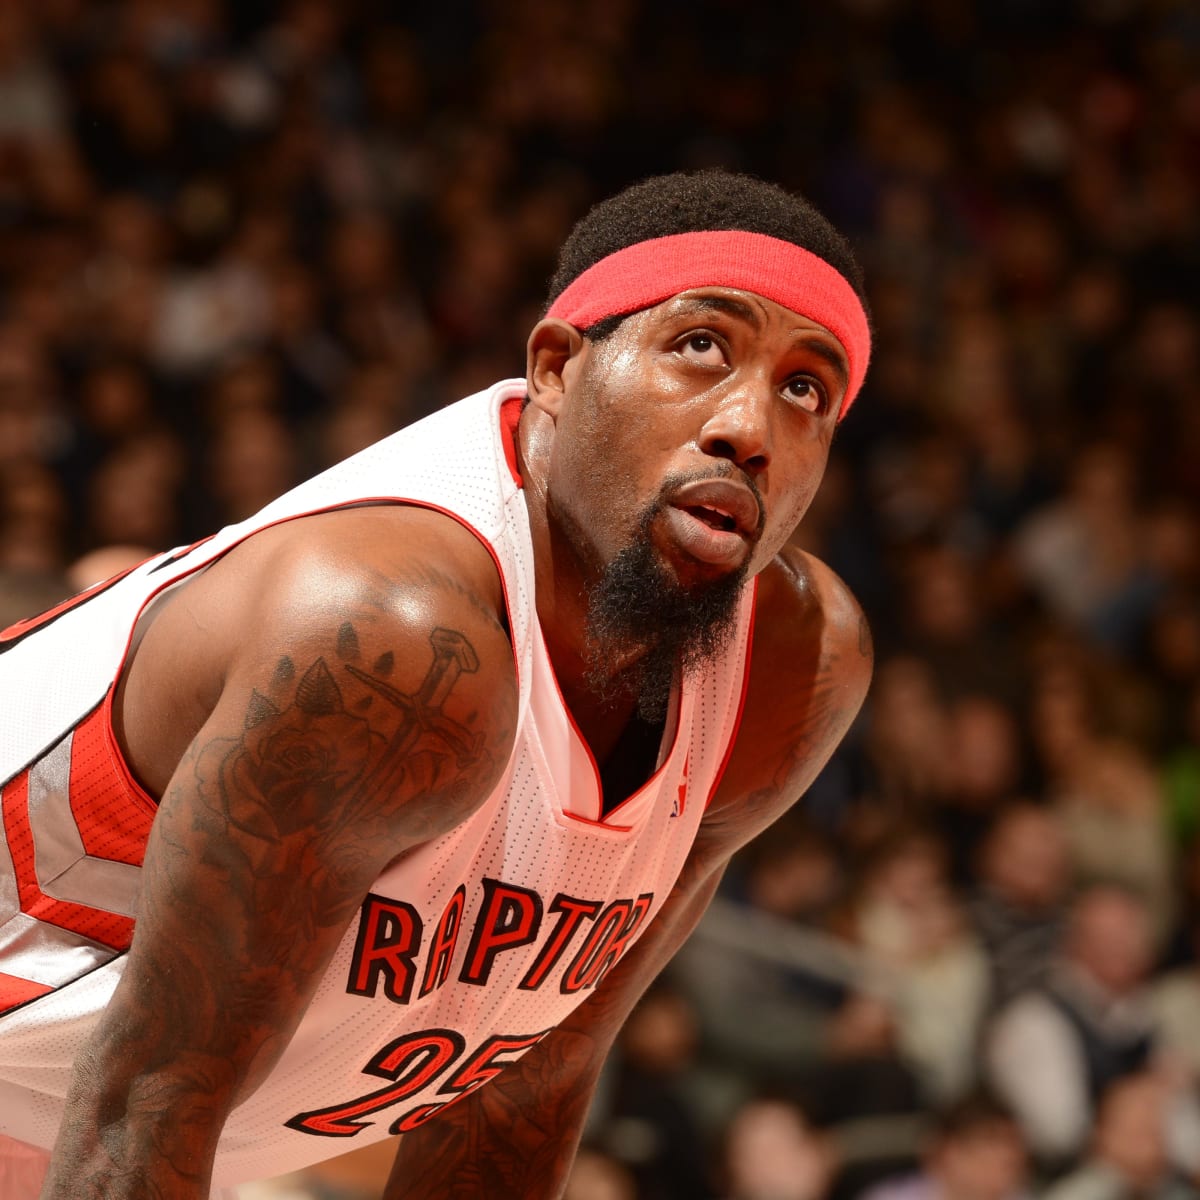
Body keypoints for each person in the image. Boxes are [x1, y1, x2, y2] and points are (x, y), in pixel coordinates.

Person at [0, 169, 874, 1198]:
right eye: (700, 347)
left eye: (805, 390)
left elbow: (526, 1086)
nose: (749, 429)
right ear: (557, 368)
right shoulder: (389, 640)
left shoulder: (792, 668)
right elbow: (146, 1105)